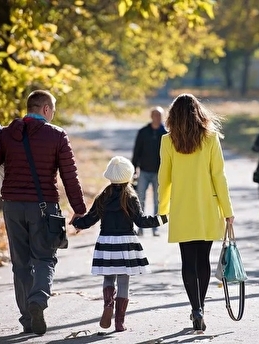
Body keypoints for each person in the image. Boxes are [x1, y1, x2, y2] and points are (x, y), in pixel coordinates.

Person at [0, 90, 86, 335]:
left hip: (13, 207)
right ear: (46, 109)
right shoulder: (57, 135)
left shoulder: (6, 134)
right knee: (45, 258)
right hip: (43, 207)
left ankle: (27, 318)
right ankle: (38, 300)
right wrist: (79, 210)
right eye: (53, 109)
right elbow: (70, 176)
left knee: (21, 264)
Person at [158, 93, 234, 332]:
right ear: (198, 113)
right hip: (208, 208)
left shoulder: (167, 141)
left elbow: (164, 179)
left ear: (173, 116)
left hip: (182, 209)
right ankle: (201, 307)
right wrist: (228, 210)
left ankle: (195, 309)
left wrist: (163, 209)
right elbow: (218, 176)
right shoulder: (210, 139)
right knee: (203, 260)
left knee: (187, 261)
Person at [72, 156, 168, 332]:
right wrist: (162, 219)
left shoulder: (103, 196)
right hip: (126, 243)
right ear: (129, 176)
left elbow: (91, 218)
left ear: (109, 176)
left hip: (106, 242)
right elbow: (141, 221)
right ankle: (119, 322)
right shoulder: (131, 197)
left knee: (109, 277)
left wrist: (77, 224)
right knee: (124, 281)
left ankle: (108, 305)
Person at [132, 106, 168, 237]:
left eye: (160, 115)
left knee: (158, 201)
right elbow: (136, 151)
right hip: (144, 171)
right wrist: (134, 169)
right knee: (140, 199)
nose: (157, 118)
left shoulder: (166, 133)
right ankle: (140, 227)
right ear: (151, 116)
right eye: (155, 115)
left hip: (160, 172)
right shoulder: (143, 132)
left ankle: (155, 227)